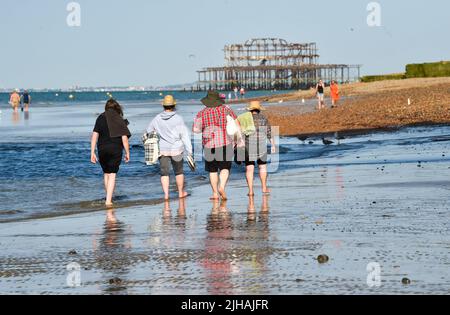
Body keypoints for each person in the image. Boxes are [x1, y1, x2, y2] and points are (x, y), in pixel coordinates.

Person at [193, 91, 238, 200]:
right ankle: (221, 187)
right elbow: (236, 123)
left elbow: (196, 130)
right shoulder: (226, 109)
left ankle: (214, 194)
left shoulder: (201, 113)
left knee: (212, 170)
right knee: (225, 168)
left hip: (209, 145)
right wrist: (237, 139)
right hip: (225, 143)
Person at [146, 95, 193, 200]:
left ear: (163, 106)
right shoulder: (178, 118)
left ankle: (166, 195)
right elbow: (184, 135)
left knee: (164, 173)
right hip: (177, 149)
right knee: (179, 172)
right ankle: (181, 192)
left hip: (163, 149)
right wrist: (189, 150)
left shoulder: (157, 118)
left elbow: (149, 130)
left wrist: (159, 133)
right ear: (173, 105)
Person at [91, 99, 131, 207]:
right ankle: (108, 200)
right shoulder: (119, 119)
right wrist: (127, 152)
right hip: (115, 149)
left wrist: (92, 152)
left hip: (102, 149)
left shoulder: (100, 117)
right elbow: (125, 139)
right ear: (117, 108)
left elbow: (94, 136)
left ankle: (108, 196)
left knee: (106, 173)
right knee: (112, 174)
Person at [242, 101, 276, 196]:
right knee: (262, 167)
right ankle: (264, 187)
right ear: (258, 109)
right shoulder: (263, 118)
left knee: (249, 168)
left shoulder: (246, 119)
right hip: (261, 146)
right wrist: (273, 145)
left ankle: (251, 190)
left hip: (248, 146)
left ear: (250, 110)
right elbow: (269, 132)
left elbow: (241, 133)